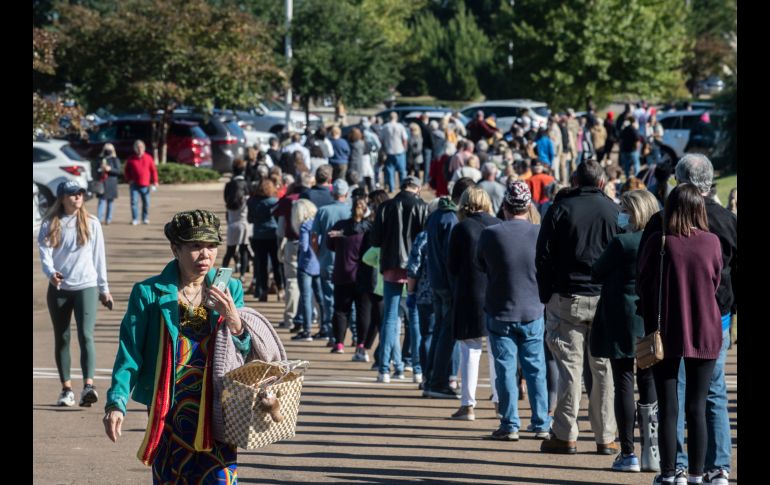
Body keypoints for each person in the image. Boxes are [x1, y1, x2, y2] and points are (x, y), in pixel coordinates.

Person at [103, 209, 280, 482]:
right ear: (176, 249)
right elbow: (130, 354)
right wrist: (117, 403)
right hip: (169, 412)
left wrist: (234, 319)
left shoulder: (229, 288)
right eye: (195, 246)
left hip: (219, 410)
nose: (205, 254)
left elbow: (245, 352)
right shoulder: (147, 293)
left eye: (211, 246)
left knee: (220, 479)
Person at [638, 154, 737, 485]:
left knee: (671, 402)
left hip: (668, 323)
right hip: (711, 321)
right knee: (706, 399)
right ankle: (708, 469)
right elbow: (720, 277)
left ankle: (673, 469)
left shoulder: (659, 231)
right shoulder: (718, 231)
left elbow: (644, 278)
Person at [536, 160, 619, 455]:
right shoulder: (613, 210)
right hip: (602, 298)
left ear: (574, 180)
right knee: (602, 369)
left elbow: (543, 255)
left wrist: (546, 294)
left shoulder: (560, 209)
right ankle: (605, 435)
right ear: (600, 182)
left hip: (568, 296)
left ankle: (566, 433)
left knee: (570, 369)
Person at [590, 189, 661, 473]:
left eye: (625, 210)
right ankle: (651, 452)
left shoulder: (622, 243)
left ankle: (628, 452)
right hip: (647, 320)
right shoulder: (657, 242)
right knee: (648, 383)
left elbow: (597, 271)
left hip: (620, 319)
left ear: (634, 213)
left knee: (623, 383)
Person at [477, 180, 550, 441]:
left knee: (506, 369)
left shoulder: (491, 234)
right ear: (528, 206)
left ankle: (510, 424)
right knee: (535, 369)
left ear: (505, 206)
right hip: (532, 308)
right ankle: (541, 421)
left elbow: (481, 264)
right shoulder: (539, 232)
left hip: (500, 309)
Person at [38, 180, 113, 407]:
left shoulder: (91, 223)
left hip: (86, 286)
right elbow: (45, 255)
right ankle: (67, 389)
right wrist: (51, 273)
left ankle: (88, 387)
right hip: (60, 289)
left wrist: (104, 289)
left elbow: (99, 258)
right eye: (72, 194)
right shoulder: (50, 223)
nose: (77, 197)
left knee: (86, 335)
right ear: (62, 198)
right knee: (62, 337)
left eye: (80, 193)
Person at [446, 186, 499, 420]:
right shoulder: (498, 223)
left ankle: (468, 404)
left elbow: (453, 266)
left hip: (469, 292)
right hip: (498, 291)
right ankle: (500, 401)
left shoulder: (461, 228)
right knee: (499, 352)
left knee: (470, 349)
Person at [370, 176, 428, 382]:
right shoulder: (422, 206)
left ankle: (384, 369)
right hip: (415, 267)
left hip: (391, 265)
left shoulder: (386, 207)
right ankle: (418, 368)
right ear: (417, 188)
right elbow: (425, 239)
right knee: (414, 319)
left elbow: (375, 239)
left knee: (390, 317)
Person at [422, 178, 476, 398]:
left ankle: (431, 377)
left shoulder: (436, 215)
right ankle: (438, 381)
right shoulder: (452, 219)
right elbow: (450, 256)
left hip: (436, 279)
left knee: (440, 331)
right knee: (447, 332)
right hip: (447, 282)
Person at [326, 195, 372, 354]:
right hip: (363, 275)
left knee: (340, 310)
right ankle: (361, 344)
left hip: (342, 273)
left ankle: (339, 343)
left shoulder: (340, 227)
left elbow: (330, 244)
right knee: (363, 311)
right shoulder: (368, 229)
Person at [311, 179, 352, 343]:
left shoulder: (323, 211)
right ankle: (353, 334)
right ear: (346, 194)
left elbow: (314, 237)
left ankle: (331, 332)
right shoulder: (351, 211)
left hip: (327, 261)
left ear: (332, 193)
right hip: (350, 263)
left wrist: (318, 253)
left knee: (329, 299)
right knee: (350, 300)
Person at [291, 199, 324, 341]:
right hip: (319, 263)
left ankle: (307, 330)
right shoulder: (318, 223)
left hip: (305, 265)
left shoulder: (304, 226)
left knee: (306, 298)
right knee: (320, 297)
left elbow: (304, 246)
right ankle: (324, 328)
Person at [247, 178, 283, 302]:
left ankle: (263, 290)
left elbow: (250, 219)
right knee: (276, 263)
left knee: (261, 265)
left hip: (258, 235)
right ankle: (280, 288)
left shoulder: (252, 202)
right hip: (273, 234)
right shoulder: (275, 201)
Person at [222, 159, 251, 282]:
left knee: (230, 251)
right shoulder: (246, 185)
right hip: (244, 223)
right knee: (244, 249)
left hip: (232, 222)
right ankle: (243, 275)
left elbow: (225, 201)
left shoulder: (228, 186)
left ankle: (222, 276)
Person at [124, 139, 158, 225]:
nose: (139, 149)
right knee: (134, 203)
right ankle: (135, 219)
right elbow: (126, 170)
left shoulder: (148, 157)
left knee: (146, 203)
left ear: (144, 148)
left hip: (145, 185)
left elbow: (153, 170)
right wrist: (129, 179)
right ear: (135, 148)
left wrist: (155, 181)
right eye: (138, 147)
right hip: (134, 185)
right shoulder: (131, 159)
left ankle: (145, 218)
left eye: (141, 147)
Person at [96, 143, 121, 225]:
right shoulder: (100, 158)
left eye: (110, 149)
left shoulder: (115, 159)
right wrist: (101, 169)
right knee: (101, 201)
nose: (108, 151)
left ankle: (108, 219)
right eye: (106, 149)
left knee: (110, 202)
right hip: (102, 183)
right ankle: (99, 219)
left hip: (111, 183)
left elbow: (118, 171)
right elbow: (96, 170)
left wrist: (109, 169)